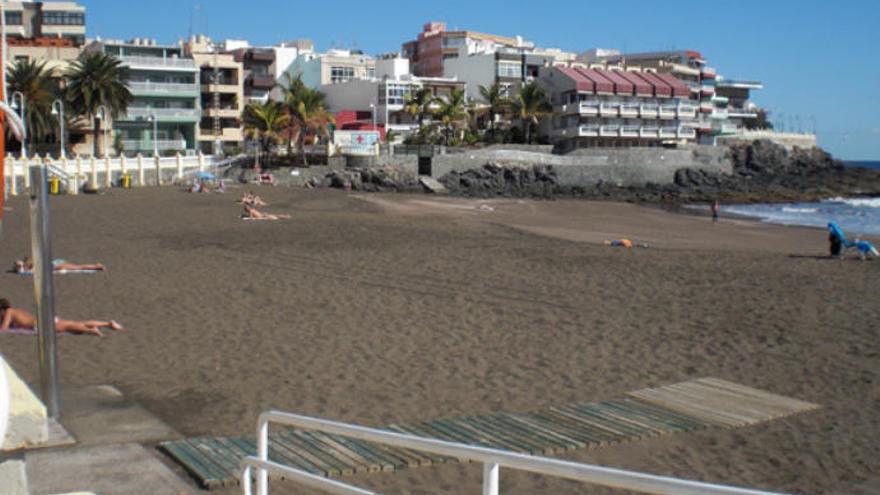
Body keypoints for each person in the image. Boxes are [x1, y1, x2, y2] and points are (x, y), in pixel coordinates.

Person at [0, 298, 123, 336]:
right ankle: (107, 324)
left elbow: (4, 328)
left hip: (40, 325)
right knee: (74, 323)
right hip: (44, 320)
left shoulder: (9, 312)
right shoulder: (17, 310)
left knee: (69, 327)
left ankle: (90, 330)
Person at [14, 257, 105, 273]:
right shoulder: (31, 266)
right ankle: (96, 266)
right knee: (78, 266)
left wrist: (20, 265)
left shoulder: (30, 267)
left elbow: (18, 264)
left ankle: (96, 266)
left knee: (78, 267)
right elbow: (18, 264)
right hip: (55, 263)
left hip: (56, 265)